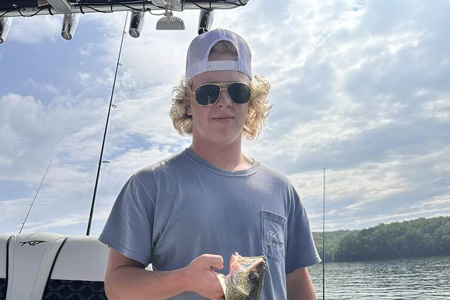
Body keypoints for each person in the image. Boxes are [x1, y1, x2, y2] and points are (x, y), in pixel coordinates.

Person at [99, 28, 321, 300]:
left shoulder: (282, 189)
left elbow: (297, 281)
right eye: (208, 92)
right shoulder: (148, 185)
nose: (224, 102)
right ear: (188, 102)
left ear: (250, 102)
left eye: (237, 91)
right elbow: (117, 285)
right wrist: (183, 280)